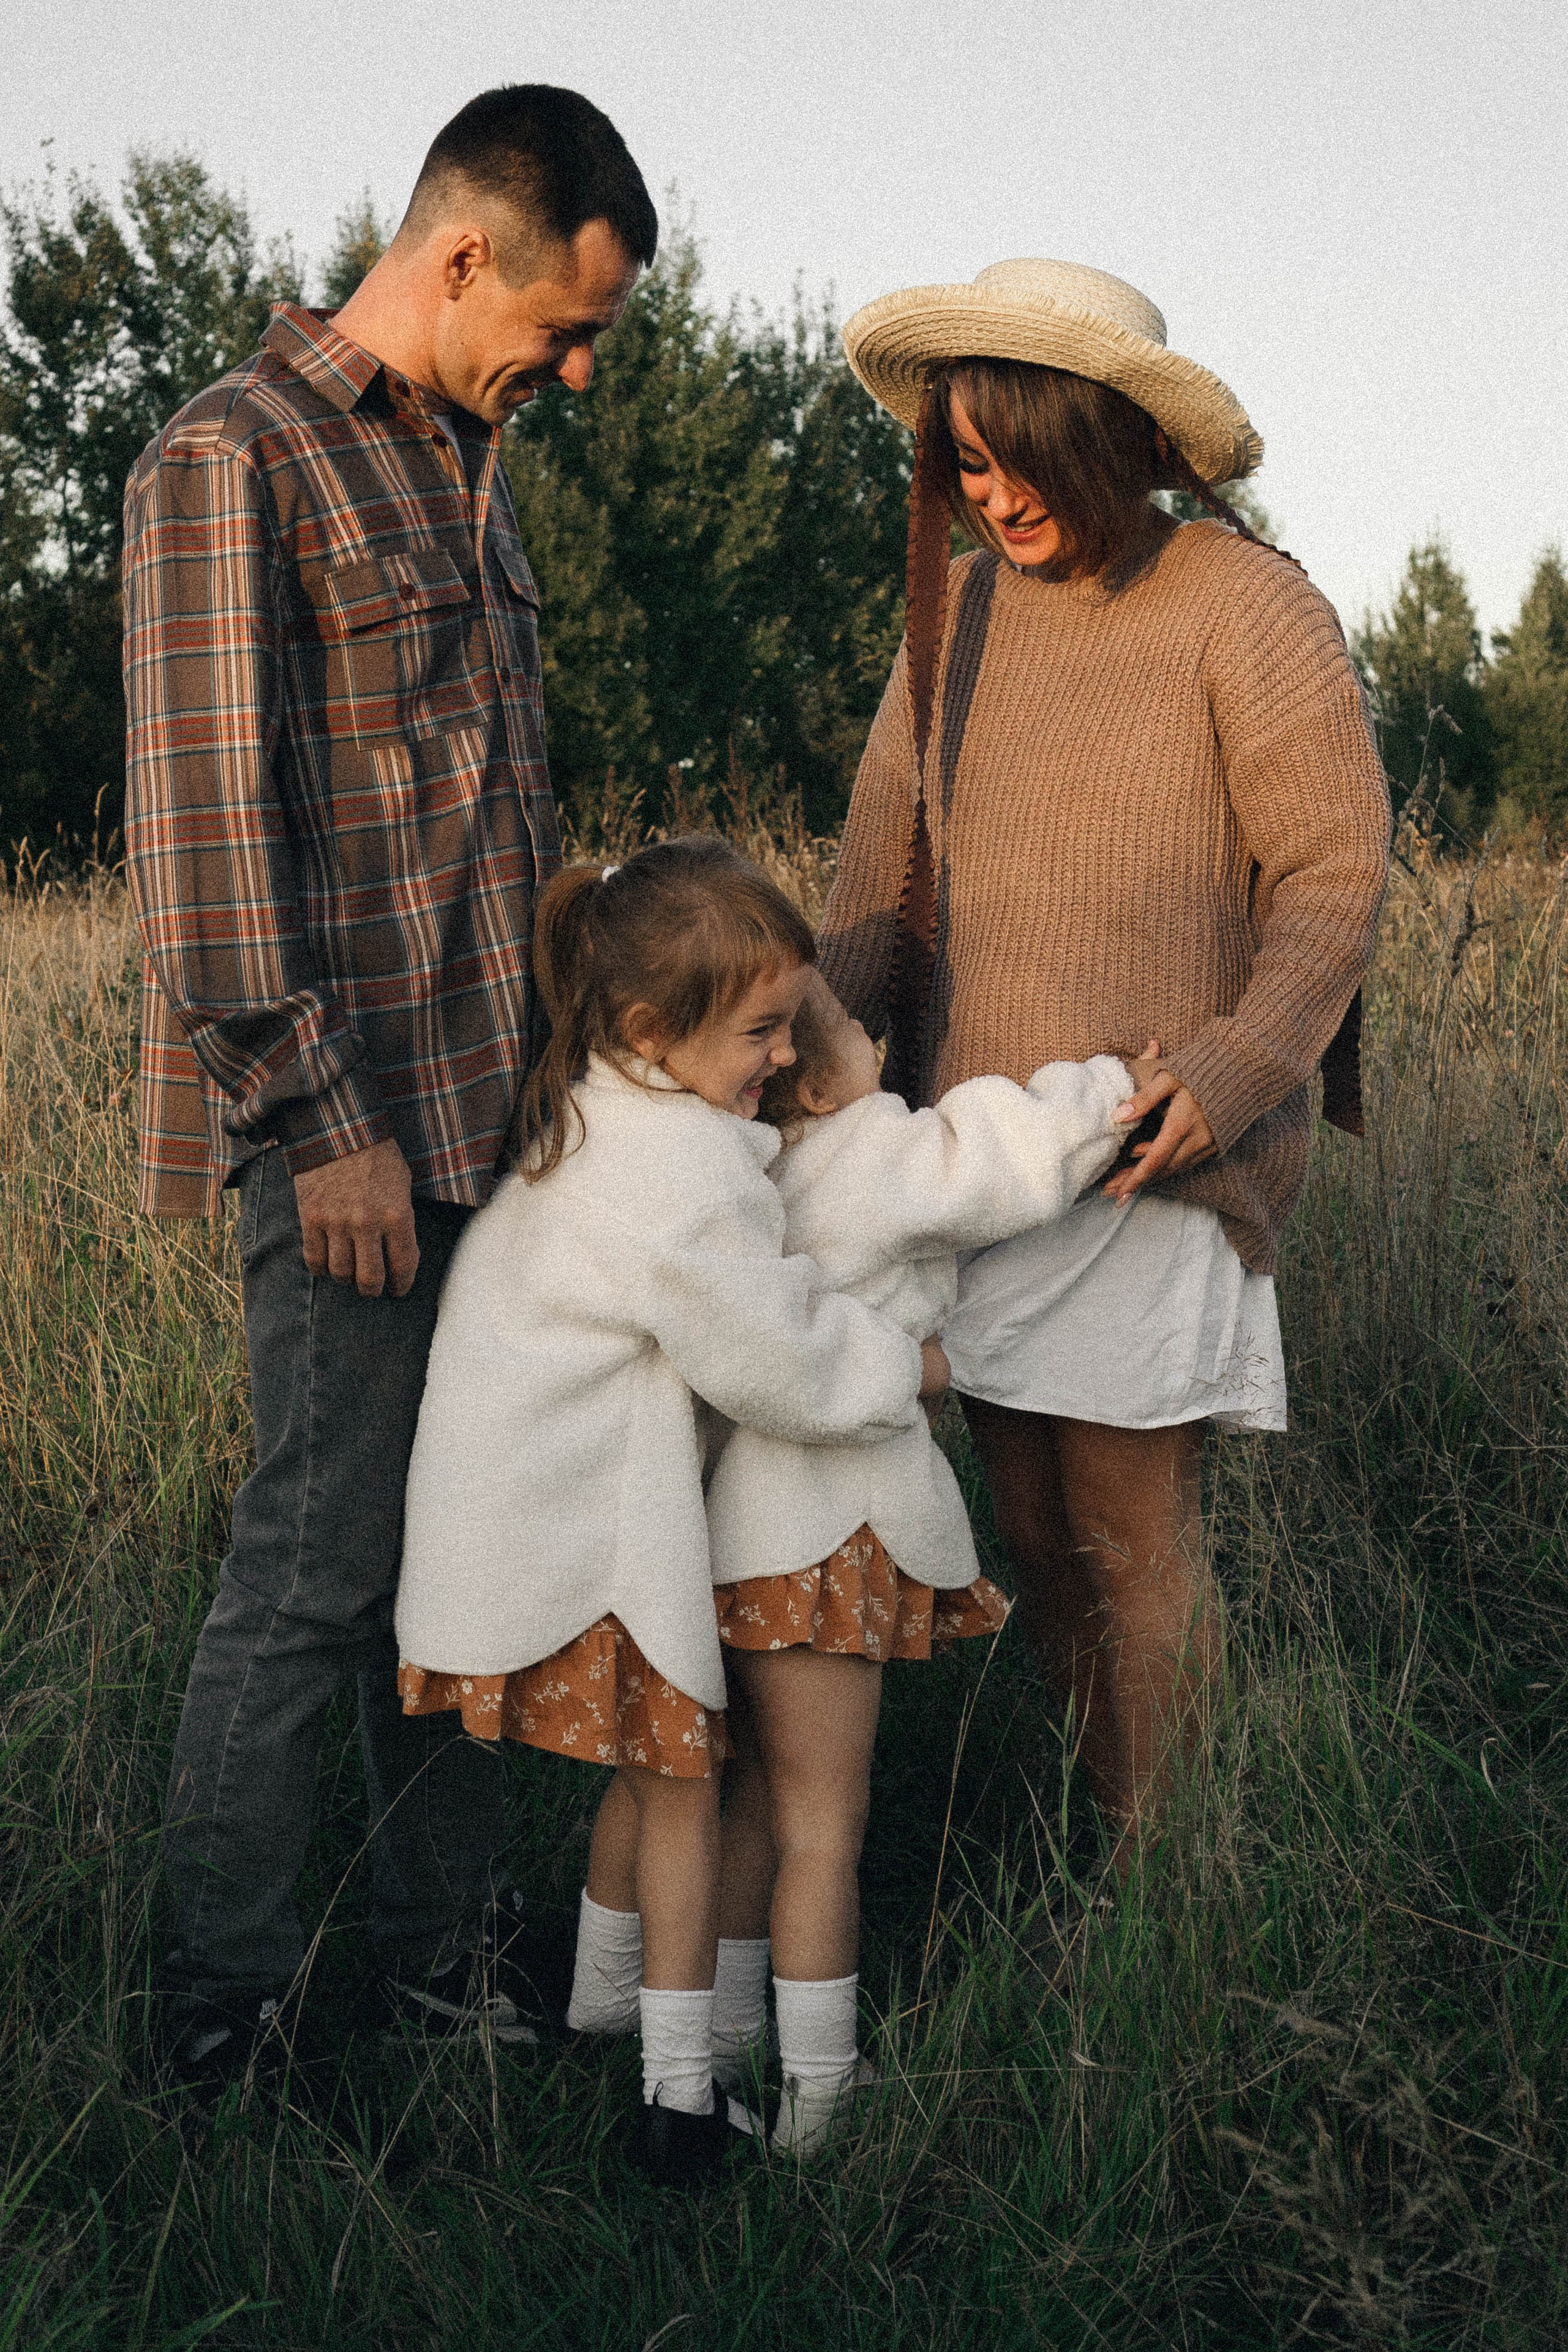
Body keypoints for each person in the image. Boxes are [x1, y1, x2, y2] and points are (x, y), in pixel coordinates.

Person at [122, 84, 657, 2087]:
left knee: (463, 1575)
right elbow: (203, 845)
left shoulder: (468, 472)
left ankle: (444, 1983)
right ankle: (223, 2021)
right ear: (459, 257)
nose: (581, 370)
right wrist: (312, 1119)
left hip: (484, 1140)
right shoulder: (232, 461)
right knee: (313, 1573)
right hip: (339, 1141)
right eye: (569, 324)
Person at [816, 259, 1392, 1876]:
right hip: (972, 1169)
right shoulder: (957, 623)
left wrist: (1235, 1066)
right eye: (968, 465)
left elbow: (1334, 875)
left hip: (1155, 1150)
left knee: (1135, 1543)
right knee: (1042, 1549)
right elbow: (874, 903)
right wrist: (751, 1044)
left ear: (1116, 444)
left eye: (1025, 462)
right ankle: (1110, 1846)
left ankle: (1165, 1894)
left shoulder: (1241, 602)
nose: (995, 499)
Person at [392, 840, 934, 2187]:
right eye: (758, 1031)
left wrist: (791, 1063)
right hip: (577, 1543)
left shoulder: (599, 1109)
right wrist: (903, 1364)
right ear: (652, 1028)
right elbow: (775, 1357)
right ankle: (677, 2101)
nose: (774, 1056)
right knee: (687, 1788)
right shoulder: (673, 1175)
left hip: (514, 1525)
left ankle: (596, 1999)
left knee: (648, 1775)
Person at [693, 975, 1156, 2152]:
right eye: (848, 1025)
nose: (874, 1031)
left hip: (736, 1536)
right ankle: (817, 2102)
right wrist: (1110, 1091)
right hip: (829, 1537)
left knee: (753, 1796)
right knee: (824, 1828)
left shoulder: (743, 1174)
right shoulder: (871, 1151)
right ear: (815, 1077)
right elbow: (996, 1157)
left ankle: (725, 2047)